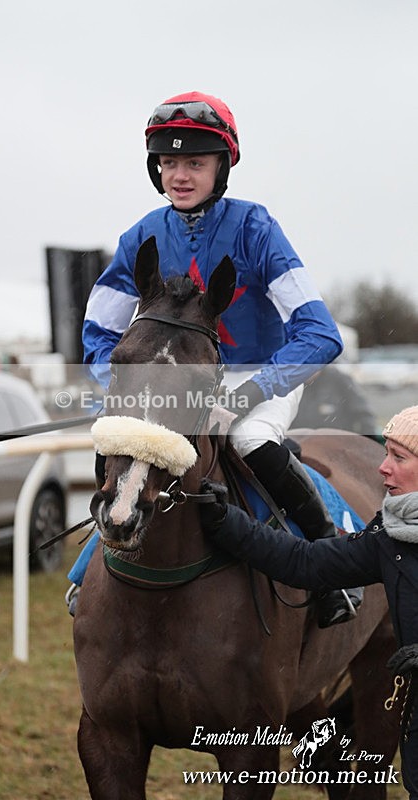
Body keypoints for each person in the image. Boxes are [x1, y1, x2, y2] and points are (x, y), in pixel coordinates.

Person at [69, 91, 351, 626]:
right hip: (171, 381)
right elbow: (98, 332)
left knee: (248, 439)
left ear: (221, 168)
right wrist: (124, 388)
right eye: (168, 162)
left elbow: (321, 333)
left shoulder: (256, 228)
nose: (179, 175)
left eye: (195, 163)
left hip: (258, 375)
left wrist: (252, 393)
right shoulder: (140, 236)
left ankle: (328, 566)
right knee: (119, 438)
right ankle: (90, 567)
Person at [198, 405, 418, 800]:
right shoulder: (390, 534)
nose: (382, 468)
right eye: (385, 454)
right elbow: (307, 562)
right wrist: (227, 522)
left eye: (398, 458)